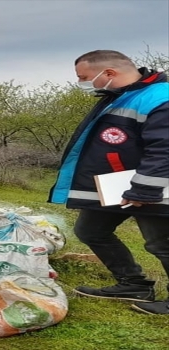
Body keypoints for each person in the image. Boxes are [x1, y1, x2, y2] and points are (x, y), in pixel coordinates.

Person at [48, 50, 169, 315]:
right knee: (91, 231)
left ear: (109, 73)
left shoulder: (160, 98)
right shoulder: (121, 97)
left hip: (153, 187)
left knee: (162, 243)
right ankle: (133, 284)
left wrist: (144, 189)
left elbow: (164, 149)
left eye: (84, 77)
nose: (82, 83)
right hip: (118, 185)